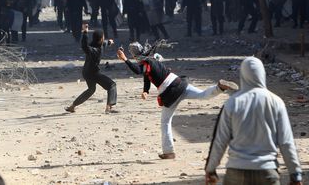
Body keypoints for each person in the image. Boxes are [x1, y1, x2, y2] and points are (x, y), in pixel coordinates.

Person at [117, 42, 238, 159]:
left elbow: (138, 71)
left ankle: (168, 152)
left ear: (134, 55)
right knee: (202, 95)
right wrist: (146, 91)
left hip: (171, 93)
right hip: (180, 83)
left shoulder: (145, 63)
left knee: (165, 122)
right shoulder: (152, 59)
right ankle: (220, 87)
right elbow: (147, 77)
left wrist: (125, 59)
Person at [205, 57, 303, 185]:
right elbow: (286, 142)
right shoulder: (276, 102)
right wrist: (295, 174)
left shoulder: (232, 102)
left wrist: (210, 169)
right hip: (267, 171)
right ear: (262, 74)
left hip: (236, 172)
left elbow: (220, 140)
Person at [65, 23, 117, 114]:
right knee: (111, 85)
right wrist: (85, 32)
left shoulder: (99, 44)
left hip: (86, 72)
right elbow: (84, 46)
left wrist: (109, 42)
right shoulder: (93, 50)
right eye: (103, 37)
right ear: (101, 39)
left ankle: (72, 106)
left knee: (91, 90)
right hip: (93, 73)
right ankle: (109, 107)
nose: (104, 39)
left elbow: (104, 43)